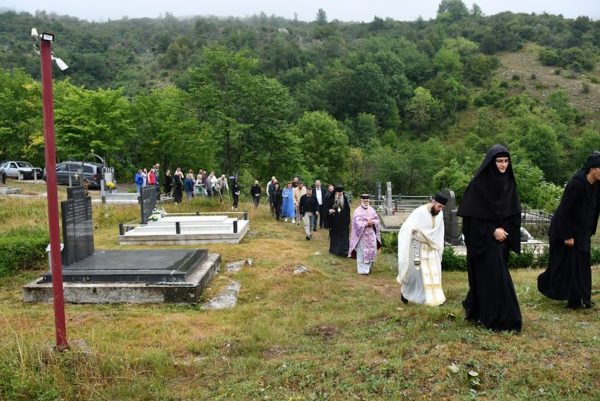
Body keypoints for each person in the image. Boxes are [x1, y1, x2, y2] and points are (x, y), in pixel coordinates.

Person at [458, 144, 522, 332]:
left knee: (494, 278)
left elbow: (514, 213)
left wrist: (504, 231)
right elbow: (471, 219)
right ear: (491, 163)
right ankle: (502, 320)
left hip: (502, 240)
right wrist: (492, 230)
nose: (503, 165)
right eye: (499, 161)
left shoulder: (509, 184)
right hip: (483, 242)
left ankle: (480, 312)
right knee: (493, 279)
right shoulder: (478, 186)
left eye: (506, 161)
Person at [538, 152, 600, 309]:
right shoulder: (576, 185)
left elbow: (595, 209)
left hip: (583, 232)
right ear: (593, 168)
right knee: (564, 267)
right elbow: (564, 212)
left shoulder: (596, 186)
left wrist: (590, 230)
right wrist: (568, 236)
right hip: (565, 232)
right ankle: (571, 299)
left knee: (582, 266)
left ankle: (583, 299)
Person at [397, 193, 447, 305]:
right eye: (439, 206)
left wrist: (438, 246)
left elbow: (440, 231)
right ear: (433, 202)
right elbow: (406, 228)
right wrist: (413, 232)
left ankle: (434, 298)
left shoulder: (440, 214)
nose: (440, 209)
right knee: (416, 274)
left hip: (432, 247)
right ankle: (406, 293)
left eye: (442, 207)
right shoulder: (419, 212)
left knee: (434, 273)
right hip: (418, 246)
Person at [349, 194, 381, 275]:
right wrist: (366, 223)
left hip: (371, 234)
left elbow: (377, 219)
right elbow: (357, 223)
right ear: (361, 201)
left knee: (372, 251)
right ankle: (362, 270)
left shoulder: (371, 209)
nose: (366, 203)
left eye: (367, 201)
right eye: (365, 201)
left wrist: (373, 222)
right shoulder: (357, 211)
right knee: (362, 252)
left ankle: (369, 268)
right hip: (362, 235)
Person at [327, 185, 351, 256]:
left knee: (344, 236)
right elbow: (326, 209)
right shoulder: (331, 199)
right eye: (338, 193)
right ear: (335, 192)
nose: (340, 194)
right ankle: (335, 250)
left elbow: (348, 210)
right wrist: (329, 211)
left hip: (343, 222)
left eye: (341, 193)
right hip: (334, 222)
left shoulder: (345, 199)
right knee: (335, 236)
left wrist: (347, 219)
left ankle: (344, 251)